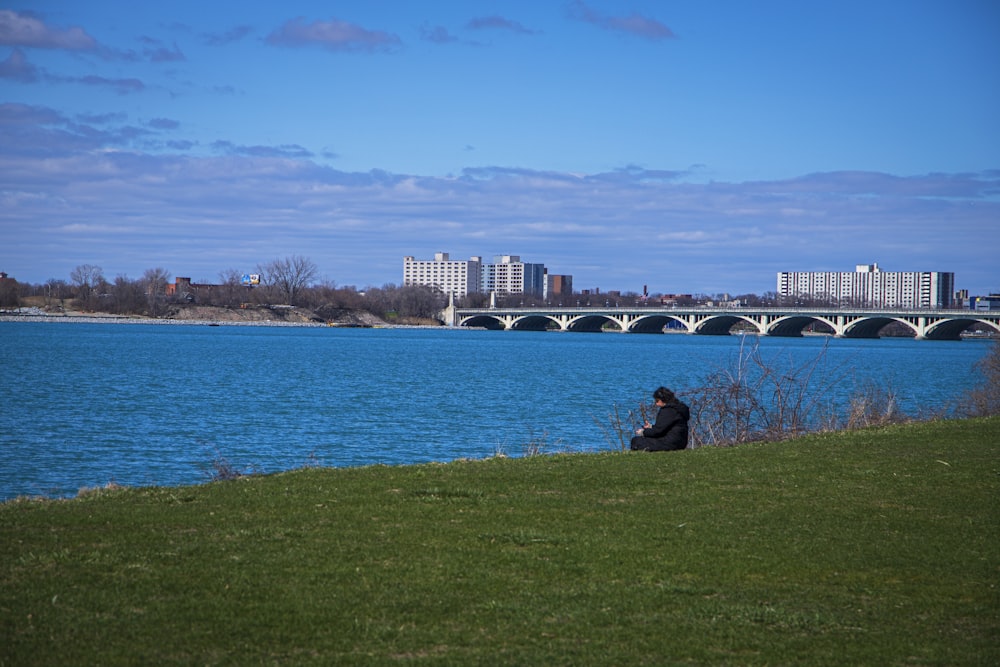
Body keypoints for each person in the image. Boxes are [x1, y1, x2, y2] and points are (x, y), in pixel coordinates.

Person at [630, 386, 690, 451]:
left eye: (657, 401)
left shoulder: (668, 411)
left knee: (636, 441)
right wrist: (651, 427)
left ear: (663, 400)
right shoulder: (678, 408)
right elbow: (665, 427)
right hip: (681, 443)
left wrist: (643, 432)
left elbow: (657, 432)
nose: (656, 403)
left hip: (670, 443)